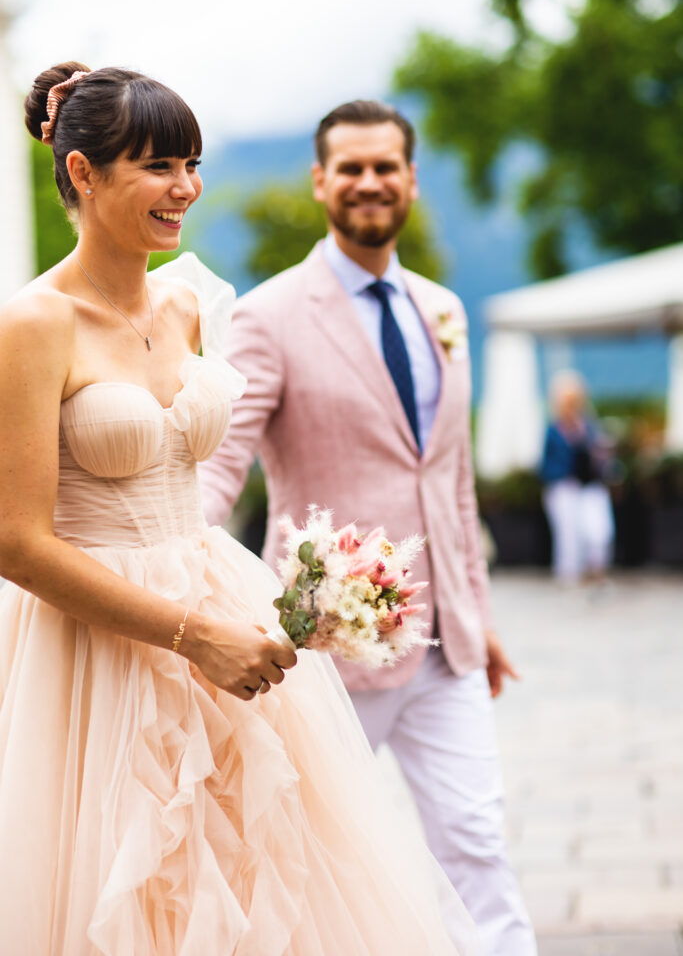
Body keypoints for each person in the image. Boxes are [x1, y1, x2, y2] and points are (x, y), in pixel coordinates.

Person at [0, 65, 481, 955]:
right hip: (98, 647)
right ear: (81, 174)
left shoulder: (186, 303)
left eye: (190, 163)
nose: (185, 188)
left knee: (264, 884)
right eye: (156, 166)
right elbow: (18, 545)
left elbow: (199, 476)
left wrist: (285, 598)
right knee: (127, 890)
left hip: (221, 599)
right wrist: (195, 635)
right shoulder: (33, 325)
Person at [200, 100, 537, 956]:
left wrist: (477, 613)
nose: (368, 182)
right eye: (349, 167)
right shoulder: (267, 316)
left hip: (444, 649)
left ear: (411, 180)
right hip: (326, 651)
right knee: (305, 862)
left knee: (477, 842)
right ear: (320, 182)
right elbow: (218, 466)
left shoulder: (442, 310)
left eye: (385, 166)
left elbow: (450, 481)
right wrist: (182, 590)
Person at [540, 369, 615, 584]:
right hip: (564, 488)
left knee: (598, 531)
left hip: (589, 487)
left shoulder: (589, 427)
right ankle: (570, 573)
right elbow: (546, 465)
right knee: (568, 534)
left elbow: (599, 457)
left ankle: (595, 569)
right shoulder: (553, 430)